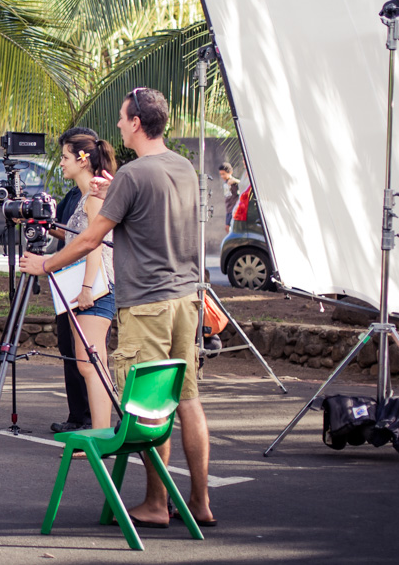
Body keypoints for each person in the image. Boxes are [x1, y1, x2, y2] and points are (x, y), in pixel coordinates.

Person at [22, 87, 216, 528]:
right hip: (186, 299)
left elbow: (91, 239)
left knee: (148, 407)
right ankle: (201, 503)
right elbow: (147, 209)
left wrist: (45, 264)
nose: (117, 125)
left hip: (147, 304)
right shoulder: (182, 168)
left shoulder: (131, 175)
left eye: (122, 118)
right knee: (187, 401)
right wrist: (114, 190)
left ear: (136, 122)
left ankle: (154, 503)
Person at [49, 130, 117, 434]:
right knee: (88, 365)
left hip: (96, 289)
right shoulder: (83, 198)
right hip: (83, 288)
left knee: (92, 365)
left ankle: (101, 433)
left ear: (82, 159)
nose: (61, 163)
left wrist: (88, 288)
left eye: (65, 157)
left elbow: (95, 245)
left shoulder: (93, 199)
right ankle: (100, 431)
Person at [218, 162, 241, 230]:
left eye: (223, 174)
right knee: (227, 227)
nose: (222, 176)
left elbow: (242, 183)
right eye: (221, 174)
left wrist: (235, 181)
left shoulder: (233, 182)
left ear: (230, 172)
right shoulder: (225, 182)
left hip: (233, 208)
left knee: (229, 227)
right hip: (228, 209)